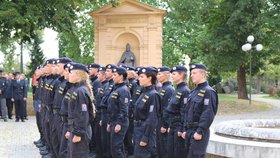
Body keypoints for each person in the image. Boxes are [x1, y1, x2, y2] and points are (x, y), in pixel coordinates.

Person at [182, 64, 218, 158]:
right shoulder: (193, 92)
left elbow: (208, 113)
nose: (191, 75)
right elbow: (186, 111)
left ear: (202, 74)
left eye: (194, 73)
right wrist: (185, 129)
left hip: (198, 131)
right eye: (191, 73)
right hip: (189, 131)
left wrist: (200, 131)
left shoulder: (208, 92)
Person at [66, 63, 95, 158]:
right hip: (76, 129)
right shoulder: (78, 89)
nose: (68, 75)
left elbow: (83, 115)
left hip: (80, 132)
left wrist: (78, 133)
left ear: (78, 75)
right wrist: (70, 130)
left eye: (71, 73)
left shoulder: (80, 91)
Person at [133, 67, 160, 158]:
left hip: (145, 130)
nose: (139, 79)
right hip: (138, 129)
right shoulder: (143, 93)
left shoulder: (153, 94)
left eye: (141, 76)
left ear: (149, 78)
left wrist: (145, 137)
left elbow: (152, 118)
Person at [165, 66, 190, 158]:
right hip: (172, 125)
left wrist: (182, 128)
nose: (171, 76)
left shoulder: (185, 91)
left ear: (181, 75)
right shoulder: (177, 89)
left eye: (174, 74)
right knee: (170, 152)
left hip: (178, 126)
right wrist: (170, 125)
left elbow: (184, 111)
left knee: (178, 153)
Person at [107, 66, 130, 158]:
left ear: (121, 76)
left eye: (115, 75)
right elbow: (111, 107)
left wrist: (119, 123)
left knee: (116, 149)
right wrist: (109, 122)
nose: (113, 77)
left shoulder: (123, 89)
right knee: (118, 147)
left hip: (120, 121)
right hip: (113, 120)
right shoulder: (116, 88)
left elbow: (124, 109)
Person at [156, 66, 175, 158]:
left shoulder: (169, 89)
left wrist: (165, 124)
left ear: (166, 75)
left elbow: (167, 109)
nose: (157, 76)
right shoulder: (161, 88)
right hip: (158, 120)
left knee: (164, 148)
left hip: (163, 122)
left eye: (159, 74)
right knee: (159, 147)